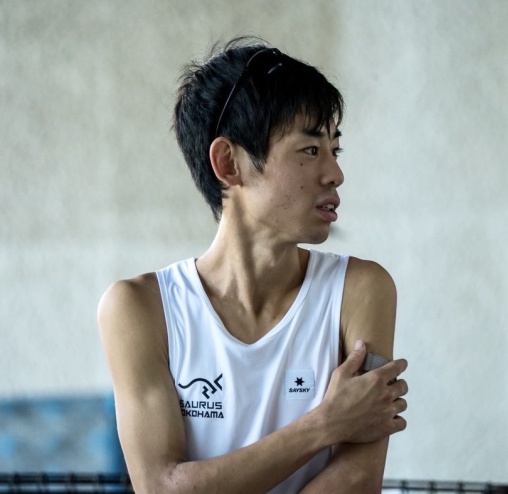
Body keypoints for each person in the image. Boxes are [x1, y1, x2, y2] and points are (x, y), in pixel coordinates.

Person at [97, 37, 408, 494]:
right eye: (310, 150)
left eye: (334, 150)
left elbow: (358, 481)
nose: (335, 174)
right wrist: (325, 423)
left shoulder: (361, 289)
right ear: (229, 163)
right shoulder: (139, 308)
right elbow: (161, 487)